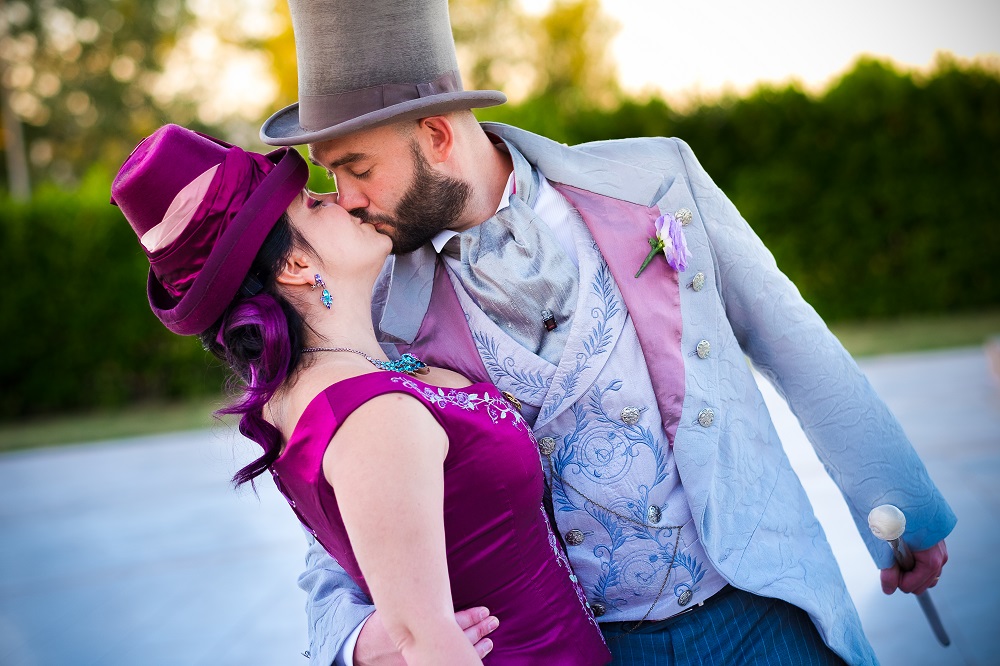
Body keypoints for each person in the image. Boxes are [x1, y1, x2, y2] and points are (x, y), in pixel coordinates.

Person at [258, 1, 957, 665]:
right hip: (590, 650)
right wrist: (353, 639)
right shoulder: (377, 307)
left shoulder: (652, 182)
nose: (346, 199)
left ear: (437, 137)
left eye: (358, 170)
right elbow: (351, 504)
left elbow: (794, 343)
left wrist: (899, 508)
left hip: (760, 606)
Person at [109, 123, 613, 666]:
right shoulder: (373, 417)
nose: (340, 198)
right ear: (295, 265)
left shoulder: (318, 390)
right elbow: (426, 643)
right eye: (312, 204)